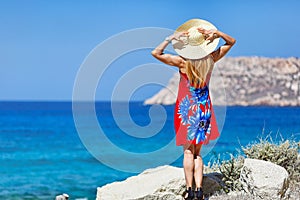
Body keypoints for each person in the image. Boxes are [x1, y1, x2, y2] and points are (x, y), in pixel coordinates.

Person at [151, 19, 235, 200]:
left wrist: (170, 38)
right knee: (197, 153)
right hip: (204, 109)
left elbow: (156, 53)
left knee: (187, 152)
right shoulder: (211, 59)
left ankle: (189, 191)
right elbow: (231, 42)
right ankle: (199, 191)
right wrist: (218, 34)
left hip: (187, 109)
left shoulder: (182, 63)